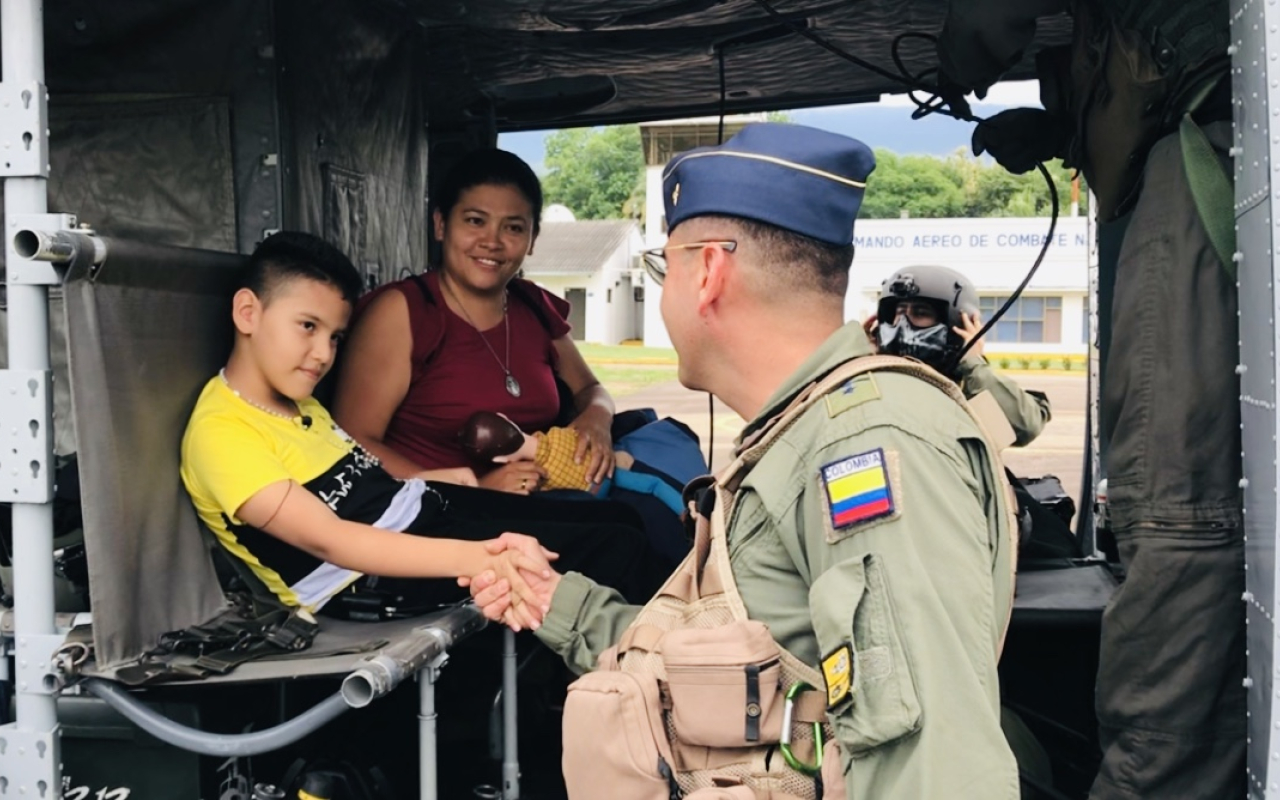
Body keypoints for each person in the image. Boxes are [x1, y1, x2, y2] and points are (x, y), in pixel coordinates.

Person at [466, 123, 1020, 798]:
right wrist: (561, 605)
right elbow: (747, 668)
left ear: (708, 273)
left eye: (665, 268)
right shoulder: (804, 434)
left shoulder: (863, 444)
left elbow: (934, 764)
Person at [936, 3, 1243, 798]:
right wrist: (1065, 133)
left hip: (1190, 140)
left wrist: (956, 65)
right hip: (1190, 126)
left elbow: (982, 30)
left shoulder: (1189, 170)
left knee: (1178, 517)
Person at [179, 231, 660, 621]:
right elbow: (331, 540)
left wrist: (444, 480)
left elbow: (368, 488)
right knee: (614, 548)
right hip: (367, 581)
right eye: (308, 326)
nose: (324, 354)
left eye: (335, 336)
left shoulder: (298, 404)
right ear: (248, 313)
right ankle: (630, 687)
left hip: (424, 511)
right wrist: (482, 558)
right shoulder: (222, 434)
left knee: (620, 519)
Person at [332, 148, 616, 494]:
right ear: (441, 225)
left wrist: (597, 418)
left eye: (513, 227)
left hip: (541, 501)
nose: (492, 242)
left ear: (532, 240)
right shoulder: (404, 310)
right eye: (475, 221)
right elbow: (353, 442)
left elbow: (590, 389)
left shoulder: (533, 305)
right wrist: (473, 489)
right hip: (434, 509)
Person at [867, 264, 1051, 446]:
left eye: (920, 313)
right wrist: (860, 358)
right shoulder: (878, 375)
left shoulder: (969, 386)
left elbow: (1024, 428)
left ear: (959, 324)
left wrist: (974, 365)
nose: (903, 324)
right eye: (899, 312)